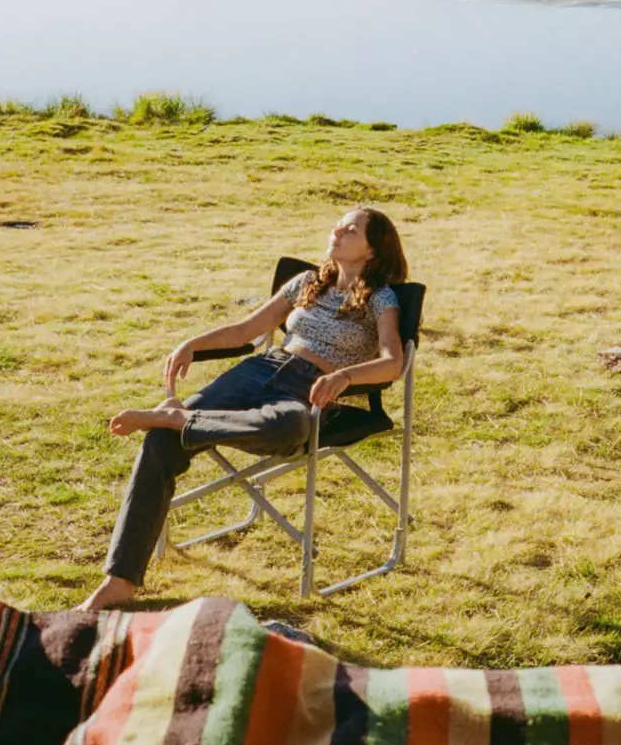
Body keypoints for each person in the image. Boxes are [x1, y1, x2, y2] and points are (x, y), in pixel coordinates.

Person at [81, 207, 409, 611]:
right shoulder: (306, 281)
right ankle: (119, 580)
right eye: (338, 224)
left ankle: (177, 416)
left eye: (351, 229)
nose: (337, 230)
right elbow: (246, 331)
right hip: (259, 371)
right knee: (161, 444)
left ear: (373, 250)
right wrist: (193, 343)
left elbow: (394, 362)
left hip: (309, 389)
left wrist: (346, 377)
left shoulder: (381, 298)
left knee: (288, 428)